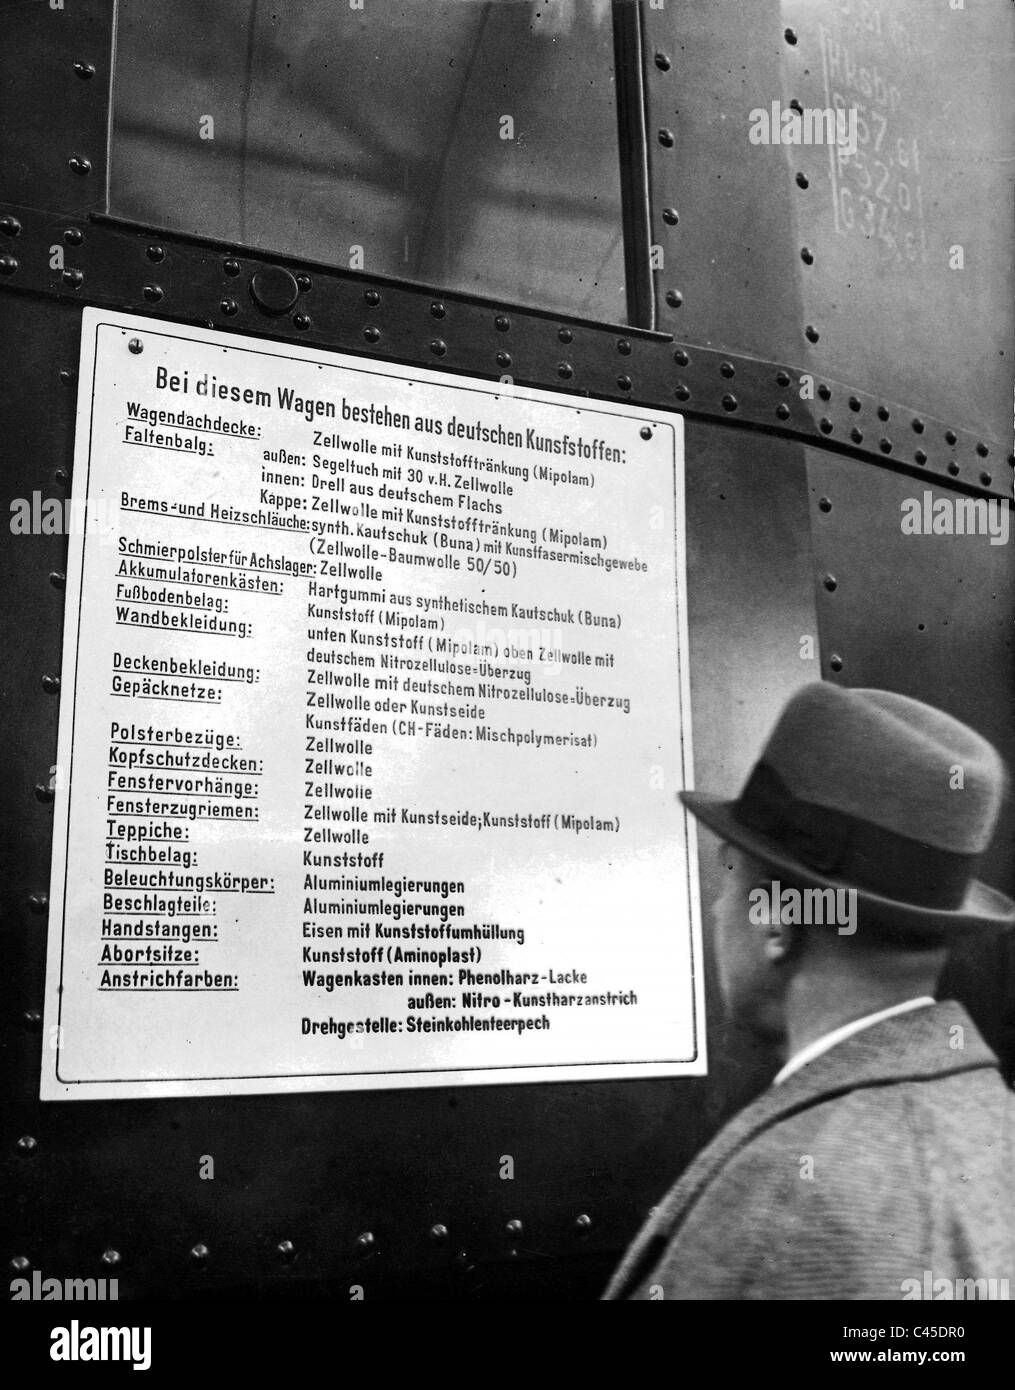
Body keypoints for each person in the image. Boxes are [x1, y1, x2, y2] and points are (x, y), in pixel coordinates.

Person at [603, 682, 1015, 1300]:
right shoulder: (991, 1121)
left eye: (728, 876)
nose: (718, 912)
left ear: (775, 919)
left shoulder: (785, 1202)